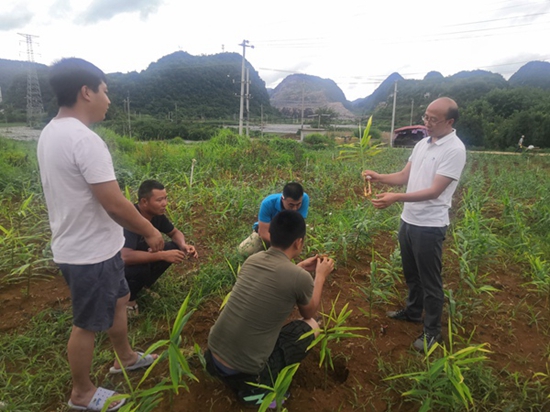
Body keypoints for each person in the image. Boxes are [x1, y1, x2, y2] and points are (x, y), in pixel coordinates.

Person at [37, 58, 164, 411]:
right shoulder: (84, 140)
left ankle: (125, 356)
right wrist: (151, 231)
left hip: (87, 245)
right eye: (105, 91)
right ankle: (82, 394)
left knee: (120, 300)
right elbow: (113, 202)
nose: (108, 99)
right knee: (87, 324)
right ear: (86, 91)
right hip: (88, 253)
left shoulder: (52, 131)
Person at [362, 97, 466, 351]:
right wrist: (380, 178)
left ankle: (432, 332)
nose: (427, 123)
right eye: (426, 117)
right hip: (409, 220)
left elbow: (434, 191)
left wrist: (396, 197)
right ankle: (412, 311)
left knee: (430, 281)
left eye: (433, 119)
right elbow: (404, 176)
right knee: (412, 273)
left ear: (449, 122)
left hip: (430, 225)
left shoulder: (454, 149)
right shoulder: (422, 144)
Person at [206, 210, 334, 407]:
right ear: (299, 242)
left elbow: (276, 277)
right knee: (312, 325)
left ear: (271, 235)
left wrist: (297, 266)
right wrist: (321, 277)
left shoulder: (252, 260)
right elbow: (309, 312)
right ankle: (257, 392)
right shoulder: (299, 278)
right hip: (246, 370)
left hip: (213, 357)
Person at [122, 179, 198, 315]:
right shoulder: (130, 219)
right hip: (115, 269)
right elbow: (125, 257)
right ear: (144, 202)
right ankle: (128, 300)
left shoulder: (156, 215)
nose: (165, 203)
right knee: (143, 265)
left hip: (139, 258)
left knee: (174, 247)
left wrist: (183, 245)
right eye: (159, 200)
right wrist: (162, 255)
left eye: (165, 198)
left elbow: (175, 233)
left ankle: (142, 286)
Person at [238, 182, 310, 255]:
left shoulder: (304, 198)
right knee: (244, 251)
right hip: (269, 233)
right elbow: (264, 233)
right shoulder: (267, 203)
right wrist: (282, 246)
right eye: (291, 205)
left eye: (298, 205)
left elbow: (298, 225)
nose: (294, 209)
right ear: (282, 198)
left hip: (287, 233)